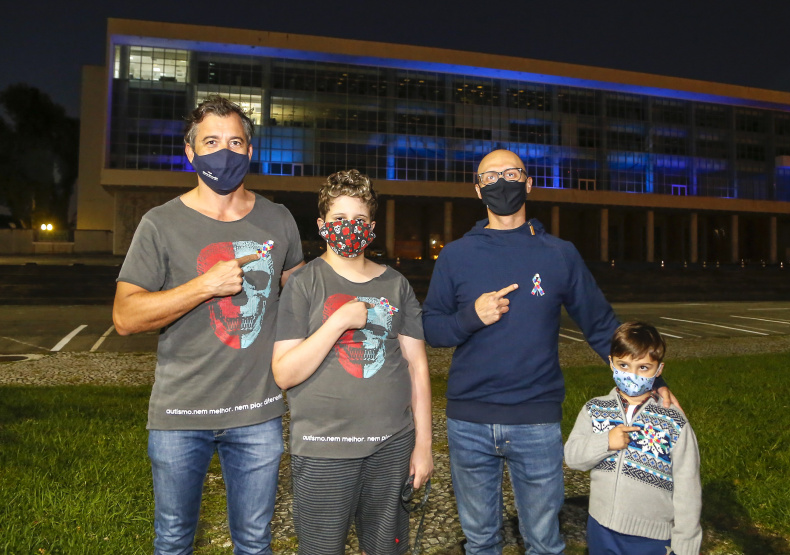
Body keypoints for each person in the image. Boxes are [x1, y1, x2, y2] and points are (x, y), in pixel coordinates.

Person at [422, 149, 678, 554]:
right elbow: (431, 327)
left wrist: (653, 380)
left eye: (511, 173)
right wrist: (470, 317)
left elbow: (599, 325)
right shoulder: (456, 255)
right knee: (480, 541)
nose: (501, 182)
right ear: (477, 190)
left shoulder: (559, 254)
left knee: (544, 542)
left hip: (535, 421)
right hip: (469, 419)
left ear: (528, 183)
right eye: (490, 176)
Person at [113, 96, 304, 555]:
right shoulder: (160, 224)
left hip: (257, 415)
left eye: (235, 141)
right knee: (174, 540)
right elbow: (124, 317)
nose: (225, 152)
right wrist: (203, 286)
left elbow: (299, 305)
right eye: (212, 142)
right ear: (190, 153)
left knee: (255, 542)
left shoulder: (279, 219)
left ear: (250, 150)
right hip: (180, 415)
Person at [272, 169, 433, 555]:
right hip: (323, 449)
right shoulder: (303, 284)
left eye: (359, 221)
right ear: (322, 225)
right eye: (339, 220)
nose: (349, 228)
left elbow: (417, 367)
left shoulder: (395, 284)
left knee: (388, 548)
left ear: (372, 227)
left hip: (391, 447)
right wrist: (339, 321)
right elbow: (284, 373)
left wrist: (424, 446)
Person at [565, 322, 701, 555]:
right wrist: (605, 441)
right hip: (601, 528)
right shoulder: (595, 409)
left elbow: (688, 487)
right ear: (611, 363)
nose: (632, 375)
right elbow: (572, 457)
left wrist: (686, 543)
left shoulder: (673, 421)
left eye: (644, 367)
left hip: (652, 538)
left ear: (659, 370)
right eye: (624, 365)